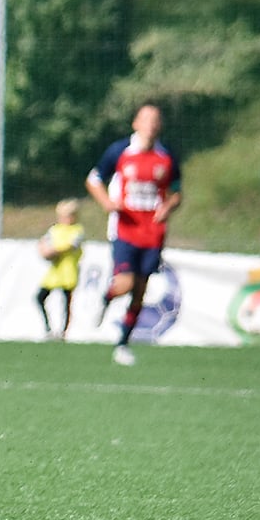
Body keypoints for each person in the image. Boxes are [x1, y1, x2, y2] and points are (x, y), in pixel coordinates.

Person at [86, 103, 181, 366]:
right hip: (125, 229)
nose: (151, 124)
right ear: (135, 123)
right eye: (146, 119)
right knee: (125, 284)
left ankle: (122, 344)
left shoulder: (167, 155)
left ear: (159, 126)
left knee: (140, 292)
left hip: (153, 233)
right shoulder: (119, 151)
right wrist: (106, 202)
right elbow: (93, 179)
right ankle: (107, 298)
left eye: (156, 120)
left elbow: (177, 192)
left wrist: (169, 206)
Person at [34, 198, 83, 340]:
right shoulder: (55, 230)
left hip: (68, 271)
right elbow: (43, 242)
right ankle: (48, 328)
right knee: (40, 297)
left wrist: (52, 251)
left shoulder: (77, 230)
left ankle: (63, 332)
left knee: (66, 302)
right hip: (55, 272)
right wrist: (43, 250)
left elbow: (69, 246)